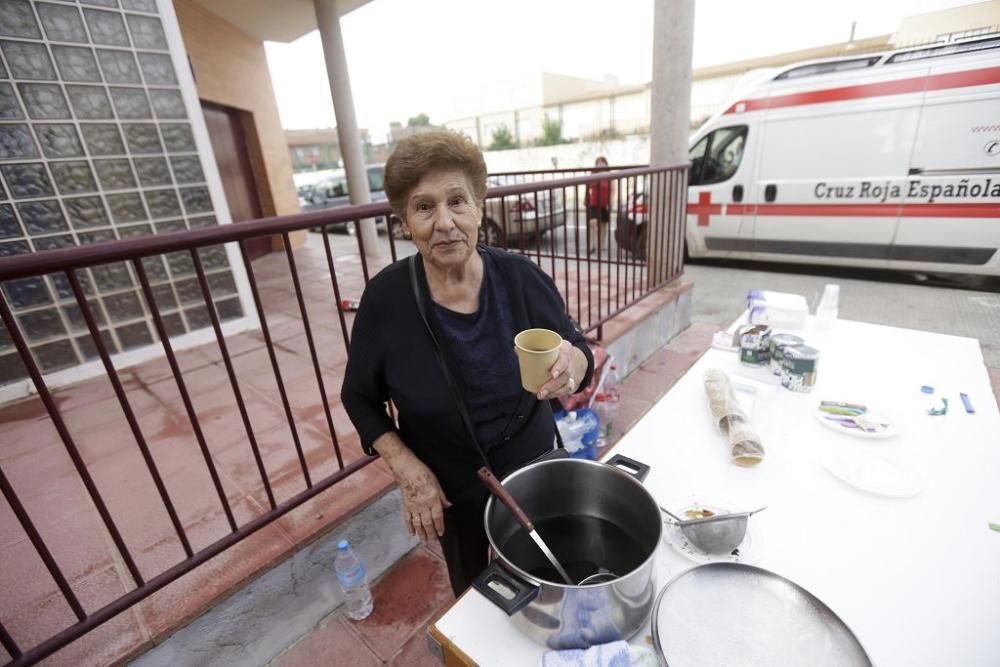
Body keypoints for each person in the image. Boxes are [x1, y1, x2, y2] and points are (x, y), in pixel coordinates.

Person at [341, 130, 595, 596]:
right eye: (424, 207)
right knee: (475, 593)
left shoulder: (521, 279)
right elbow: (358, 396)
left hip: (532, 462)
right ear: (403, 222)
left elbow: (578, 346)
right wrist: (408, 469)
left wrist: (573, 363)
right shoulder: (386, 301)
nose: (444, 222)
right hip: (450, 480)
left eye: (458, 201)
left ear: (479, 205)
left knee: (553, 573)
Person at [586, 156, 612, 254]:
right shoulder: (592, 174)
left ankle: (602, 244)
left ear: (606, 164)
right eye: (599, 162)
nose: (600, 164)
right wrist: (586, 199)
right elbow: (587, 187)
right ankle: (592, 244)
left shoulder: (609, 175)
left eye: (602, 162)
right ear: (596, 164)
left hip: (605, 203)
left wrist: (610, 202)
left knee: (603, 224)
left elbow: (613, 189)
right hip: (593, 202)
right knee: (592, 223)